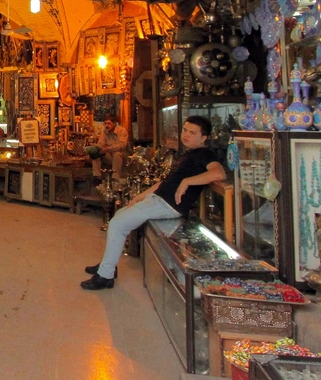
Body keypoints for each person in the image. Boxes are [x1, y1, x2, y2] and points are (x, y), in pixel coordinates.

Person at [80, 116, 225, 290]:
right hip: (159, 199)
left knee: (118, 224)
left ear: (204, 138)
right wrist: (140, 196)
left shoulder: (205, 154)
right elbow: (165, 183)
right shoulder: (188, 154)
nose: (186, 135)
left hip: (168, 204)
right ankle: (108, 264)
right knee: (119, 215)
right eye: (185, 130)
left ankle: (105, 275)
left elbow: (219, 173)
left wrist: (187, 182)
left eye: (192, 133)